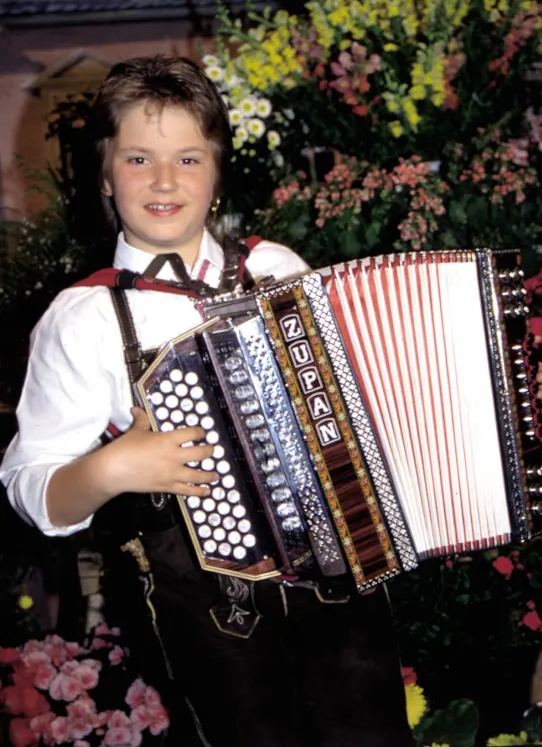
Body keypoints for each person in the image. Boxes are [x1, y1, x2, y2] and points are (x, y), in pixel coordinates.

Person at [0, 55, 419, 747]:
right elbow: (29, 488)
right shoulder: (83, 318)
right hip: (203, 608)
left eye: (188, 158)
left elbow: (354, 395)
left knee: (370, 731)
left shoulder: (275, 268)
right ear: (105, 176)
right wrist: (111, 470)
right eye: (139, 157)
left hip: (337, 579)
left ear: (217, 173)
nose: (165, 180)